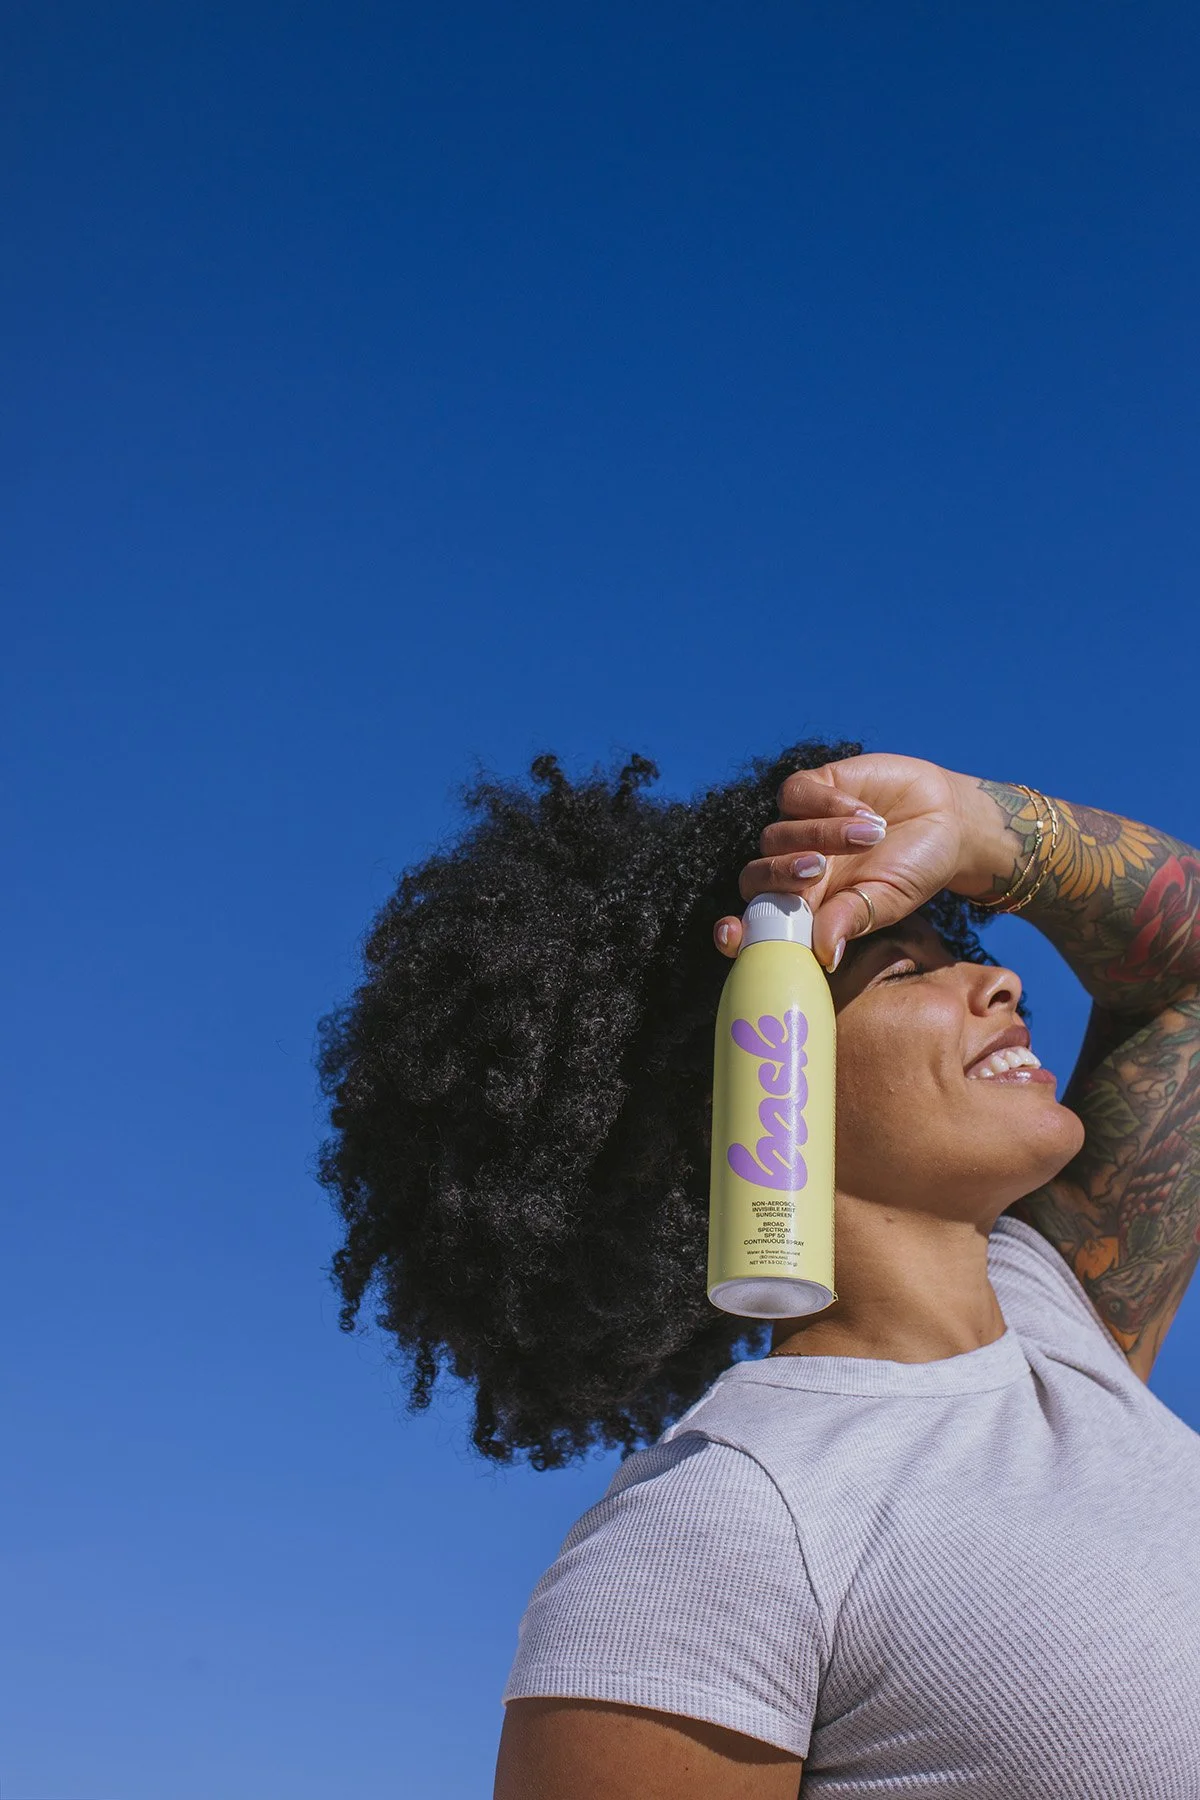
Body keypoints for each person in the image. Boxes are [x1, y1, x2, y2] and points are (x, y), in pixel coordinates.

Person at [315, 741, 1200, 1797]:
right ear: (749, 1080)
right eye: (908, 969)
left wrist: (976, 826)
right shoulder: (723, 1523)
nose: (1001, 978)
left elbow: (1183, 972)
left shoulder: (1065, 1330)